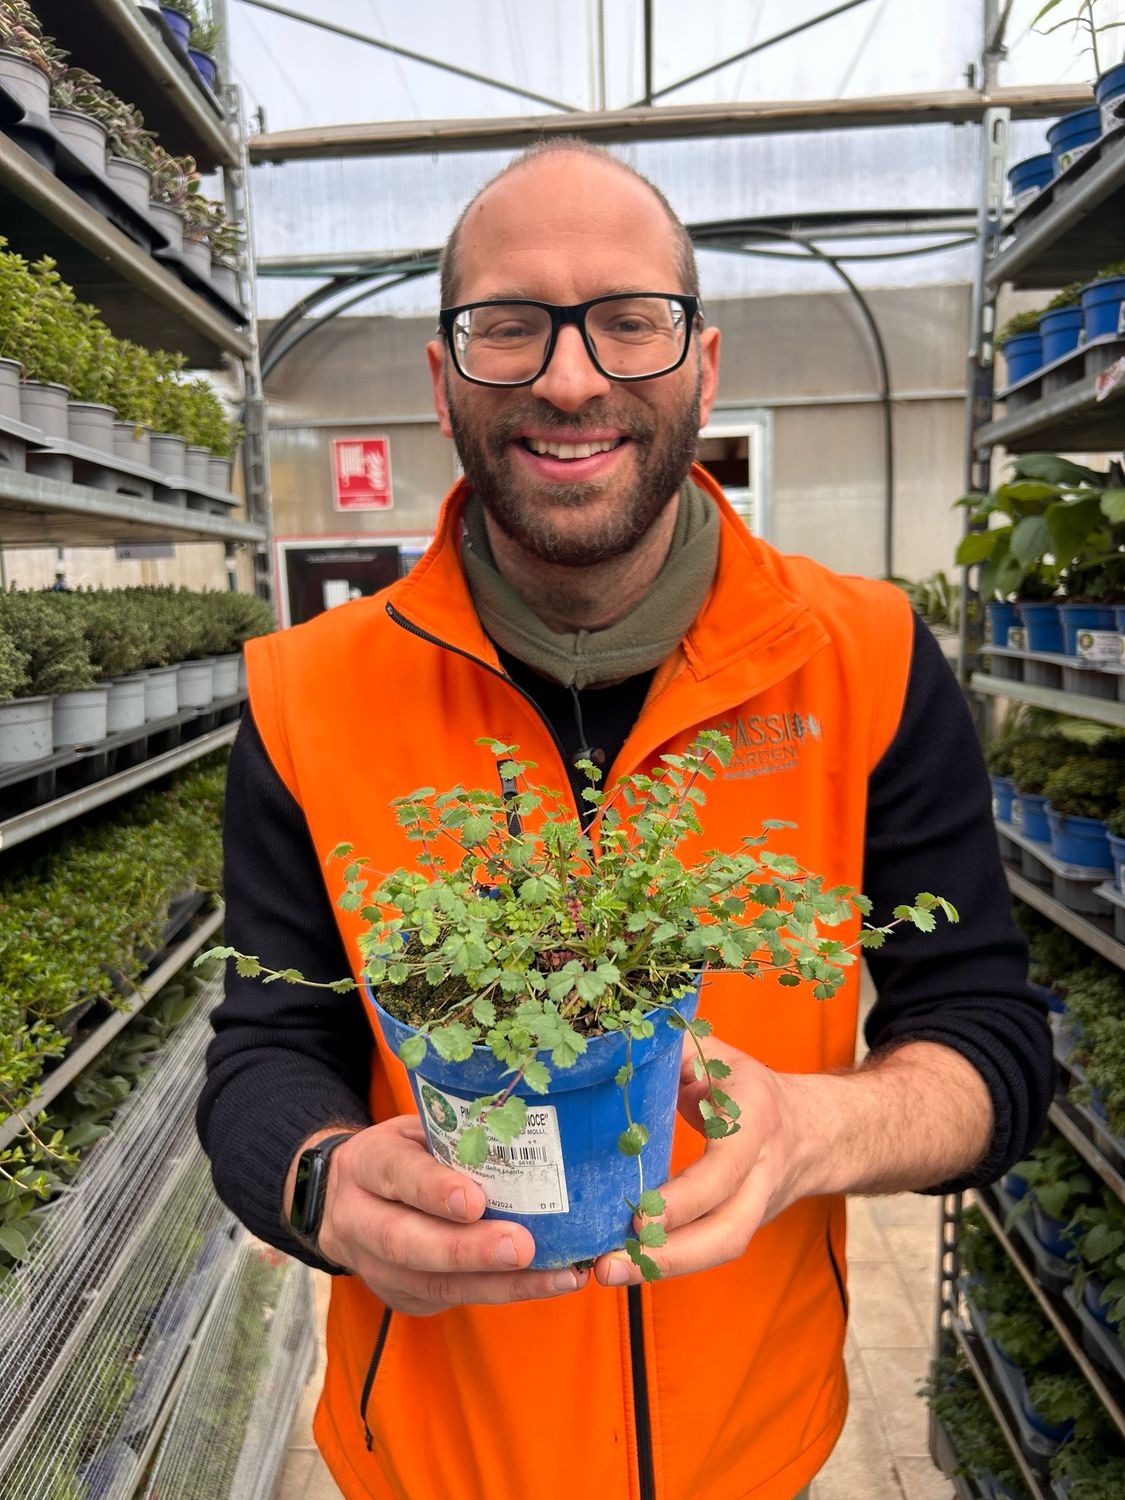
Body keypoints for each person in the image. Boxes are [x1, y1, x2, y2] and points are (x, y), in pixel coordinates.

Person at [198, 139, 1052, 1500]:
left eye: (628, 320)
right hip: (434, 1462)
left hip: (753, 1450)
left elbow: (991, 1043)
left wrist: (810, 1135)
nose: (571, 376)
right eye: (507, 325)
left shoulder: (865, 656)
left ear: (700, 364)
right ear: (442, 378)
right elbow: (266, 1046)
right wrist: (323, 1187)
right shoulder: (310, 691)